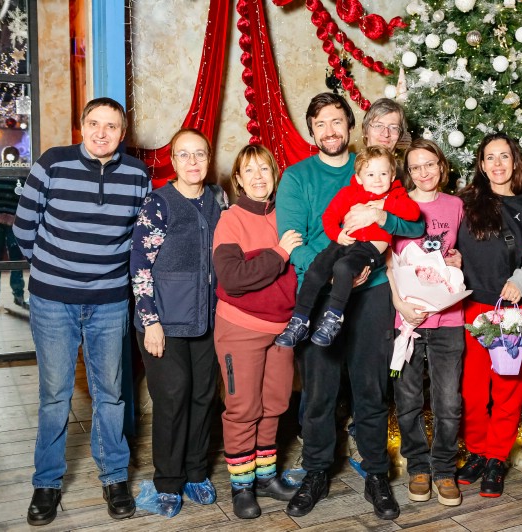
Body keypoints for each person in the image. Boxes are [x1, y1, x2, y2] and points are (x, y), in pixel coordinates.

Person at [276, 92, 423, 520]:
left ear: (351, 126)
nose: (330, 130)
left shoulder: (374, 168)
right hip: (322, 292)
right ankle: (317, 472)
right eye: (320, 123)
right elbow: (293, 241)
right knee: (319, 392)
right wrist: (331, 273)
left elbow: (412, 223)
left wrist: (381, 220)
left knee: (371, 389)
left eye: (337, 121)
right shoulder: (297, 177)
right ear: (311, 130)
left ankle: (376, 473)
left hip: (371, 292)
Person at [12, 97, 150, 526]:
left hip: (109, 301)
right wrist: (53, 271)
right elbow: (24, 228)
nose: (101, 133)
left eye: (111, 126)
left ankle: (114, 477)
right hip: (53, 301)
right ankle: (47, 483)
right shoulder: (52, 163)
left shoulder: (138, 175)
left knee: (110, 393)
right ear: (82, 125)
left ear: (122, 134)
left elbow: (141, 238)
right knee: (55, 395)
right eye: (94, 123)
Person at [130, 128, 224, 518]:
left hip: (206, 318)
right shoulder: (158, 203)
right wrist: (150, 321)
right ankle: (168, 482)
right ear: (173, 160)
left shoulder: (218, 199)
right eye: (183, 154)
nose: (192, 161)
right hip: (164, 322)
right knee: (172, 397)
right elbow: (140, 266)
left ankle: (196, 472)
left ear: (208, 157)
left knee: (203, 395)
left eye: (199, 153)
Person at [456, 132, 522, 497]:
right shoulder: (463, 204)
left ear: (515, 162)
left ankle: (497, 457)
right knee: (472, 390)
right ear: (481, 164)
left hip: (511, 312)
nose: (497, 164)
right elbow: (443, 243)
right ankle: (477, 451)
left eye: (504, 156)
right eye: (490, 157)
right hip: (470, 307)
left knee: (509, 389)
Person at [212, 144, 301, 519]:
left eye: (264, 168)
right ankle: (242, 485)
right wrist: (279, 253)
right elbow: (233, 278)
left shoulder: (288, 214)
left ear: (274, 174)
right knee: (243, 408)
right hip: (240, 327)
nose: (258, 177)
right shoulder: (231, 219)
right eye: (249, 170)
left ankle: (265, 476)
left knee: (275, 404)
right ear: (238, 179)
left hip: (283, 330)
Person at [276, 145, 419, 347]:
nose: (377, 180)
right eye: (370, 174)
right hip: (343, 242)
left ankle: (334, 317)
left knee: (343, 268)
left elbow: (414, 213)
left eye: (383, 174)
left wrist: (384, 207)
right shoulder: (349, 193)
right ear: (359, 178)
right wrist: (337, 234)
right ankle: (300, 320)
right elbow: (329, 216)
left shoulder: (396, 196)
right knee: (316, 269)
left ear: (392, 175)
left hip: (368, 249)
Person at [389, 139, 465, 507]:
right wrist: (399, 304)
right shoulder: (398, 206)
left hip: (448, 317)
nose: (424, 172)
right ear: (408, 172)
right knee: (408, 399)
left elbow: (463, 252)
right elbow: (388, 262)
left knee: (448, 401)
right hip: (408, 319)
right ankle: (418, 467)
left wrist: (459, 260)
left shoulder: (456, 206)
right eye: (416, 166)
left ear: (441, 166)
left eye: (430, 164)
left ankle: (445, 469)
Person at [0, 147, 27, 309]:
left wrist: (12, 216)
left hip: (9, 220)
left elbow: (26, 200)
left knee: (10, 257)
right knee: (3, 257)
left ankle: (2, 295)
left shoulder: (19, 176)